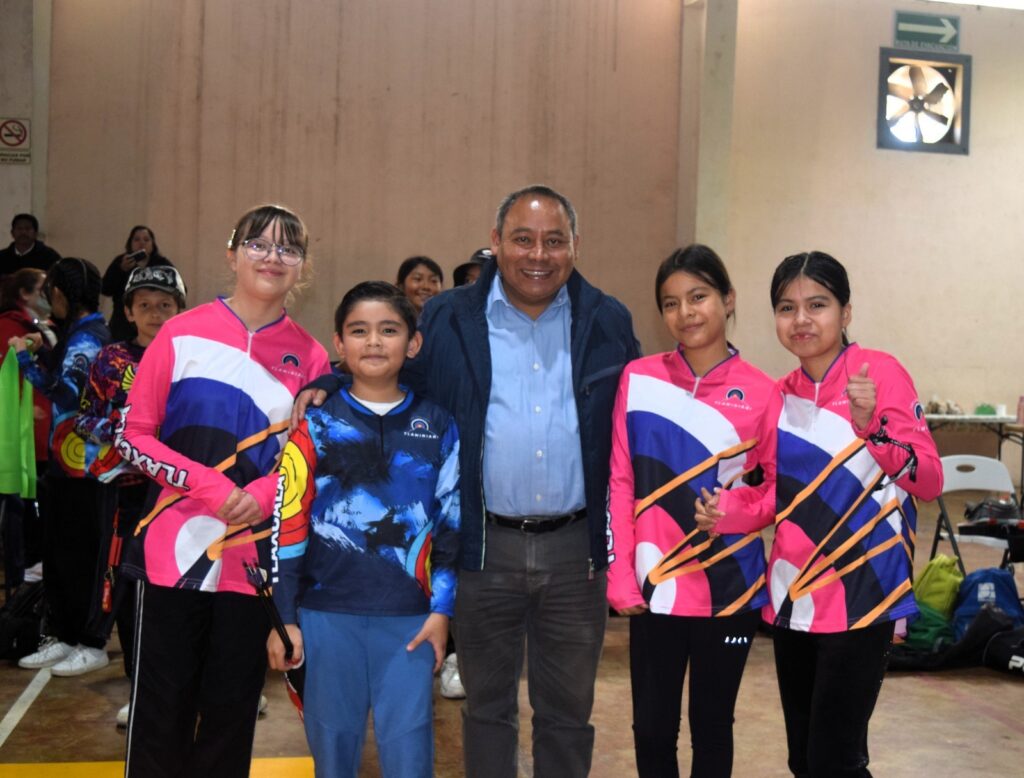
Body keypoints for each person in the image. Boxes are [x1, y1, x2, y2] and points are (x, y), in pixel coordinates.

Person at [298, 185, 641, 776]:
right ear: (496, 242)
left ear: (575, 246)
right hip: (485, 547)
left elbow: (635, 412)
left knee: (567, 712)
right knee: (487, 708)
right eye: (523, 239)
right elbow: (397, 380)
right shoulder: (449, 316)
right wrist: (332, 384)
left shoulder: (607, 318)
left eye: (554, 241)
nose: (538, 254)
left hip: (575, 549)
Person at [115, 204, 330, 778]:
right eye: (258, 244)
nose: (272, 257)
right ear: (232, 255)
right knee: (160, 714)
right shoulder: (180, 333)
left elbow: (310, 457)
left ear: (302, 266)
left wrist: (265, 492)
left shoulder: (311, 357)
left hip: (251, 564)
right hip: (170, 554)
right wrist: (208, 485)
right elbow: (132, 435)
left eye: (287, 248)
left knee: (230, 717)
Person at [269, 281, 460, 778]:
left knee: (409, 755)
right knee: (332, 753)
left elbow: (451, 526)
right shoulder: (313, 425)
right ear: (339, 343)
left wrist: (442, 611)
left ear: (413, 344)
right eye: (359, 331)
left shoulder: (439, 424)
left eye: (389, 330)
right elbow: (287, 525)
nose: (374, 341)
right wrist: (285, 617)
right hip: (325, 617)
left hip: (411, 620)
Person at [764, 251, 942, 777]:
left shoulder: (880, 373)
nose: (801, 319)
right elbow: (767, 496)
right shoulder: (778, 396)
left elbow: (930, 480)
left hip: (864, 596)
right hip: (793, 599)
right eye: (787, 307)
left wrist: (871, 429)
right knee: (804, 760)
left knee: (833, 760)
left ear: (845, 312)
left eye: (817, 304)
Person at [607, 245, 779, 778]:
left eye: (698, 296)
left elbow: (780, 491)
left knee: (713, 726)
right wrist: (620, 573)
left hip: (731, 589)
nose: (685, 312)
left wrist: (736, 513)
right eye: (671, 302)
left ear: (728, 300)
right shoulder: (639, 378)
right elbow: (620, 479)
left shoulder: (765, 392)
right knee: (652, 729)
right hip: (654, 588)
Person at [74, 265, 187, 726]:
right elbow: (84, 418)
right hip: (127, 492)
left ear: (181, 309)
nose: (155, 313)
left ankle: (206, 684)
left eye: (165, 305)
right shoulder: (111, 359)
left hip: (185, 493)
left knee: (186, 587)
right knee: (129, 585)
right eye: (145, 305)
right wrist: (127, 436)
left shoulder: (195, 357)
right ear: (127, 311)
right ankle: (141, 688)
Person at [9, 258, 111, 675]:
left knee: (82, 557)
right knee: (62, 555)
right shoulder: (78, 334)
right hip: (67, 467)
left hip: (85, 469)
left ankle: (90, 642)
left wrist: (23, 360)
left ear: (62, 293)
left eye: (50, 292)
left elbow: (68, 394)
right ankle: (66, 635)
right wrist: (45, 348)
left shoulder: (89, 339)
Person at [0, 268, 56, 589]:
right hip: (21, 433)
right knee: (21, 510)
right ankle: (22, 577)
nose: (48, 295)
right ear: (24, 294)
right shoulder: (9, 327)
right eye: (42, 289)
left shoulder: (41, 327)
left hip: (42, 431)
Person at [101, 225, 176, 342]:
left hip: (154, 322)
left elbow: (179, 289)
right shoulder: (121, 262)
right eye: (137, 239)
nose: (142, 243)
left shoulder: (162, 264)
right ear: (130, 243)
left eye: (146, 240)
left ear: (153, 244)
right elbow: (105, 289)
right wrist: (121, 270)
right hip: (122, 323)